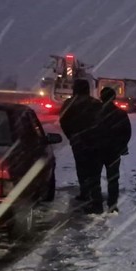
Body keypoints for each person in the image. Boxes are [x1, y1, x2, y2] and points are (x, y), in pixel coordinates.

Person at [59, 79, 102, 213]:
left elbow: (63, 122)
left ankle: (85, 194)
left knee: (82, 169)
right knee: (95, 172)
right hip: (96, 142)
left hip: (79, 142)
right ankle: (96, 202)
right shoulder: (96, 104)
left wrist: (72, 136)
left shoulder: (69, 104)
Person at [94, 87, 132, 213]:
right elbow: (127, 133)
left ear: (101, 97)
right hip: (113, 151)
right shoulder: (120, 113)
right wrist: (120, 145)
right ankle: (112, 205)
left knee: (95, 178)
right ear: (113, 98)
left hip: (97, 150)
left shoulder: (93, 113)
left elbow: (87, 131)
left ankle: (96, 205)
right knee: (113, 179)